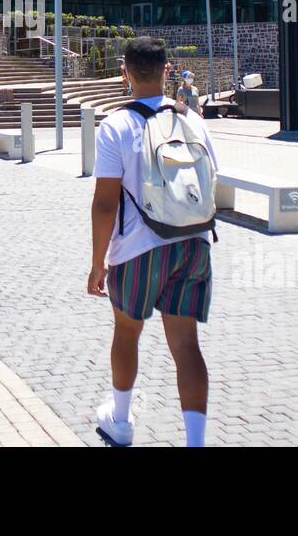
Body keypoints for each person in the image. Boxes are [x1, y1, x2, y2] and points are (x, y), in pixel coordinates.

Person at [88, 37, 218, 448]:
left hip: (139, 249)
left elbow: (105, 203)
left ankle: (121, 421)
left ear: (124, 72)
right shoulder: (192, 119)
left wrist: (97, 262)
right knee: (186, 345)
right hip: (193, 242)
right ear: (167, 70)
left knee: (127, 332)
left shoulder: (116, 125)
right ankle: (195, 441)